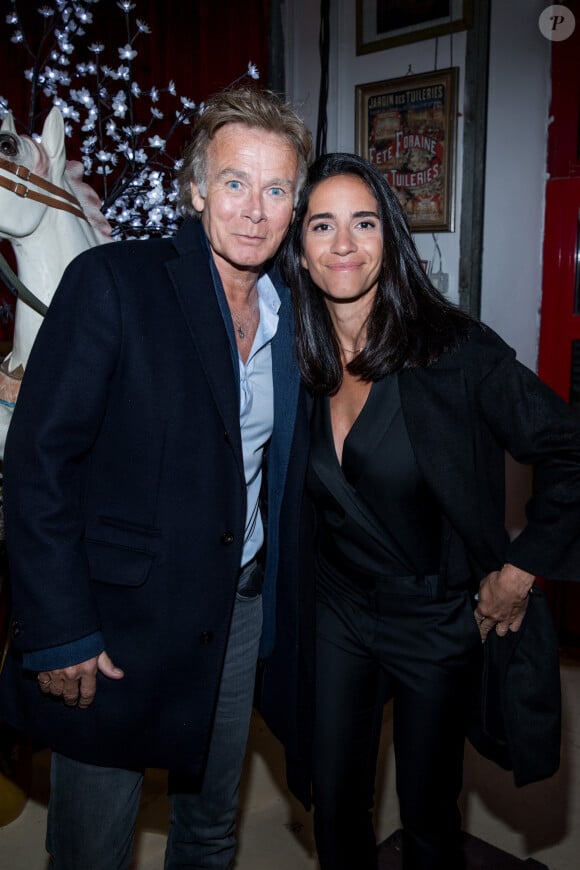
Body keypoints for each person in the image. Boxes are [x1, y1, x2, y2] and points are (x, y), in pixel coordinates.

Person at [0, 87, 312, 870]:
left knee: (209, 828)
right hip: (116, 620)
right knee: (93, 843)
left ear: (294, 204)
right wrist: (60, 629)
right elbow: (39, 464)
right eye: (235, 182)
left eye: (276, 189)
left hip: (236, 609)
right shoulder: (115, 281)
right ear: (198, 188)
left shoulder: (293, 315)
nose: (253, 209)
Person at [278, 152, 580, 869]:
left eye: (364, 222)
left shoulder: (454, 350)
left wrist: (518, 568)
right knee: (335, 802)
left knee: (428, 814)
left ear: (390, 238)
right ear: (301, 247)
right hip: (337, 611)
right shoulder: (291, 353)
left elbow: (570, 449)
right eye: (322, 225)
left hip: (438, 618)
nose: (344, 244)